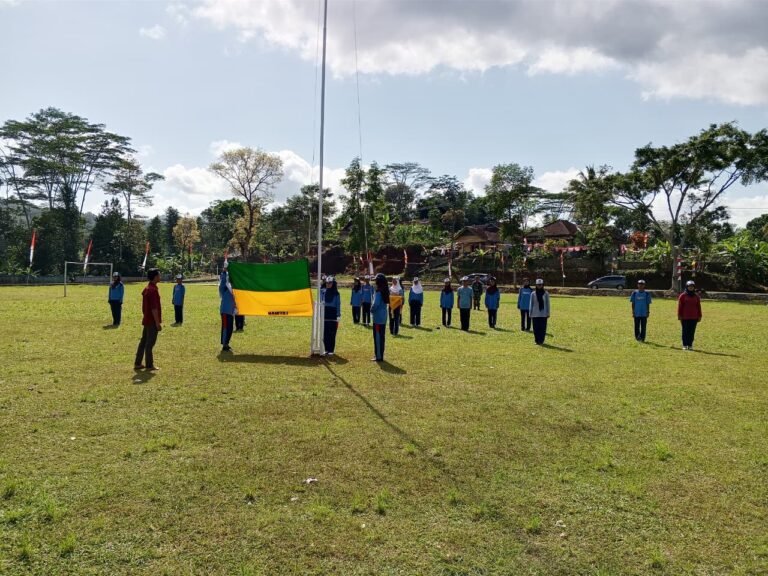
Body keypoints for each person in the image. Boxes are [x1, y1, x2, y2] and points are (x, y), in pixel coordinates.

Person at [134, 268, 162, 370]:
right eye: (159, 275)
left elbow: (144, 306)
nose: (160, 276)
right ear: (155, 277)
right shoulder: (153, 290)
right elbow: (154, 308)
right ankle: (149, 365)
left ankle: (138, 363)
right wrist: (157, 323)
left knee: (143, 342)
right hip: (151, 321)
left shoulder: (147, 288)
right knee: (150, 343)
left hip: (146, 319)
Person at [678, 280, 702, 350]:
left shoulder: (696, 296)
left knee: (692, 331)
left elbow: (698, 306)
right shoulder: (682, 296)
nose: (691, 288)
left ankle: (690, 345)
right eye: (689, 286)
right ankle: (685, 345)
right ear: (687, 287)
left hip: (694, 317)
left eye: (692, 287)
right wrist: (679, 315)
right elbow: (680, 306)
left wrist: (700, 316)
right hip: (685, 317)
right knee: (685, 331)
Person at [371, 273, 390, 362]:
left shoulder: (379, 292)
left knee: (378, 337)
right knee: (382, 337)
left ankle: (378, 356)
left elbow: (375, 304)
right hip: (383, 316)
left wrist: (371, 310)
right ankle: (380, 354)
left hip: (378, 317)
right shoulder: (385, 290)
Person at [322, 276, 341, 355]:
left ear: (333, 284)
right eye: (327, 283)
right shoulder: (323, 291)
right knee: (325, 333)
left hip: (333, 314)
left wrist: (338, 315)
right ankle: (326, 349)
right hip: (325, 313)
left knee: (332, 333)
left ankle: (331, 350)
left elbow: (338, 304)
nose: (328, 284)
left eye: (330, 283)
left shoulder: (336, 293)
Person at [529, 278, 550, 345]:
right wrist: (530, 313)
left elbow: (548, 304)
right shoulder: (533, 293)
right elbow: (531, 303)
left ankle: (541, 341)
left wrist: (548, 313)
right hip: (535, 314)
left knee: (542, 328)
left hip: (543, 314)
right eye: (538, 285)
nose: (539, 286)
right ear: (536, 285)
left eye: (541, 285)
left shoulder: (546, 293)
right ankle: (536, 340)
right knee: (536, 328)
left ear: (543, 285)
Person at [219, 268, 236, 352]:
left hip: (231, 312)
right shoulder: (224, 289)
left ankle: (227, 343)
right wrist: (224, 272)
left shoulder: (234, 290)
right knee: (226, 327)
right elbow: (222, 282)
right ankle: (224, 344)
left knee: (230, 328)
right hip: (225, 311)